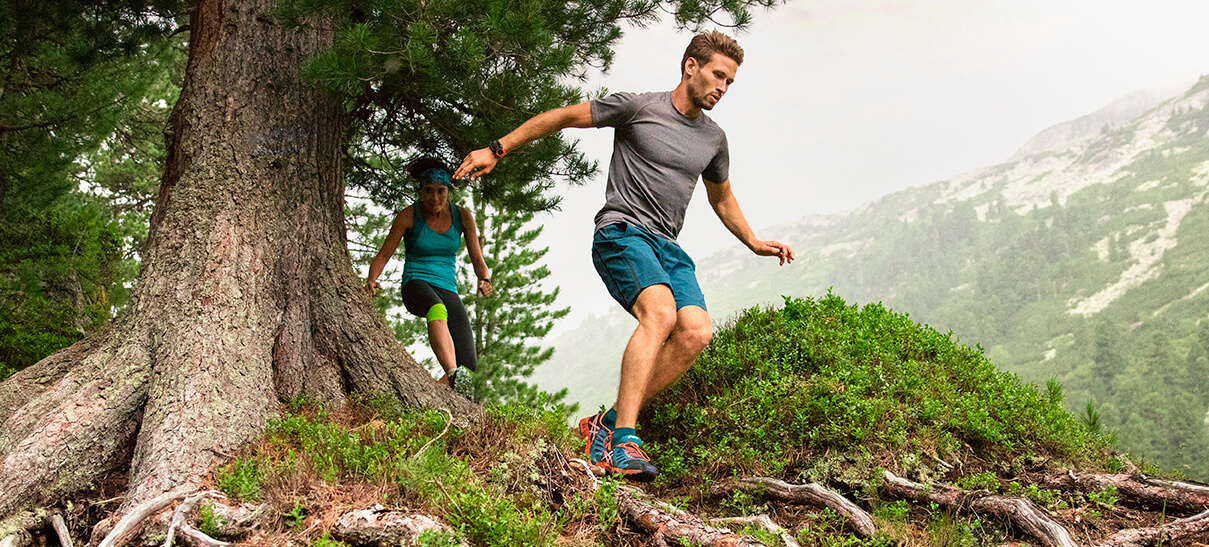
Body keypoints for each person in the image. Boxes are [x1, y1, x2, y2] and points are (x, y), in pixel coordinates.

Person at [453, 31, 794, 481]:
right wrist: (497, 149)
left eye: (730, 82)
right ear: (690, 66)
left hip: (668, 246)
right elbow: (562, 117)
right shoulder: (638, 108)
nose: (722, 88)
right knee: (661, 314)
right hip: (622, 231)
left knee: (696, 333)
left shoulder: (714, 139)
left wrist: (752, 240)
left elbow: (722, 198)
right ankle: (622, 443)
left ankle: (606, 424)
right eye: (717, 75)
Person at [366, 157, 493, 398]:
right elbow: (383, 255)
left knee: (470, 365)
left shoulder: (463, 217)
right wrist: (372, 279)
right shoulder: (408, 216)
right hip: (416, 284)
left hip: (447, 288)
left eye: (441, 191)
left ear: (449, 191)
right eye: (428, 191)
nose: (435, 198)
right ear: (420, 191)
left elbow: (477, 259)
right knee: (437, 308)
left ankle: (432, 394)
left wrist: (484, 278)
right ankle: (451, 371)